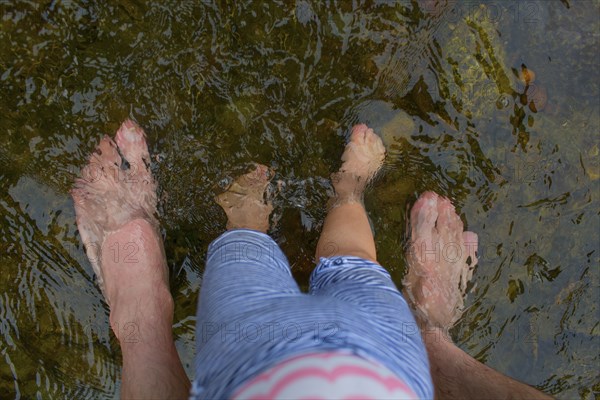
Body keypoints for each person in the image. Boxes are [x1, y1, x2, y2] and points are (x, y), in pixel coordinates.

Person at [71, 120, 552, 399]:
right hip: (270, 360)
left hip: (377, 363)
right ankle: (429, 335)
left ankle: (146, 311)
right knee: (342, 260)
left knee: (350, 257)